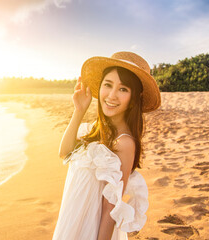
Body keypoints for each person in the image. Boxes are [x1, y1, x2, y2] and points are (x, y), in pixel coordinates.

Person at [52, 51, 161, 240]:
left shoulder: (125, 143)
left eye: (123, 89)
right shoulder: (97, 129)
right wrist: (79, 111)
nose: (111, 95)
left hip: (89, 231)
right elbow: (64, 153)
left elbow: (109, 210)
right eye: (108, 85)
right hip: (70, 223)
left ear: (134, 97)